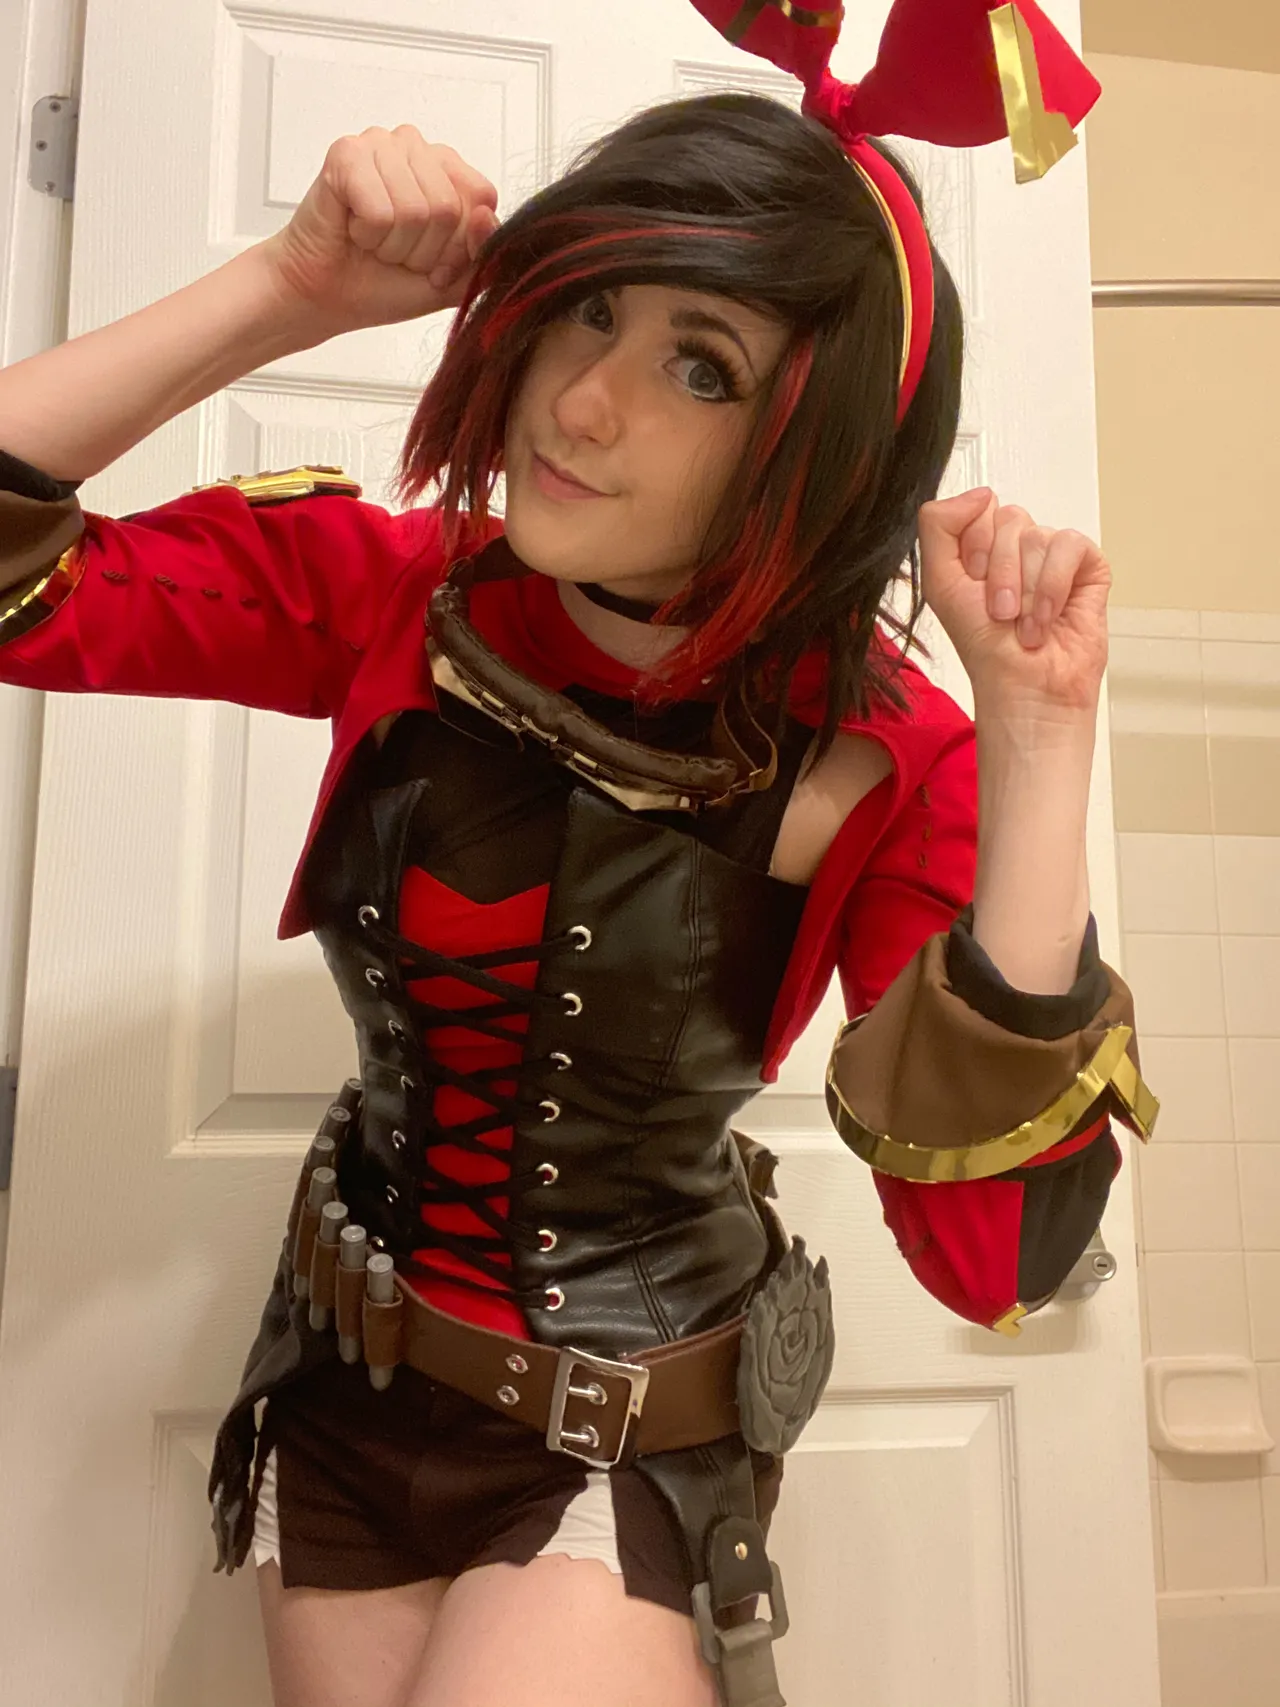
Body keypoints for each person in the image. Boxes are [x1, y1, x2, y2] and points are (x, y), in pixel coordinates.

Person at [0, 6, 1156, 1706]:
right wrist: (289, 287)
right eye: (591, 308)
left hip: (627, 1430)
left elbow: (996, 1263)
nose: (586, 399)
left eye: (703, 365)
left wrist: (1043, 743)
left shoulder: (885, 750)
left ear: (820, 447)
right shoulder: (404, 596)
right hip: (342, 1385)